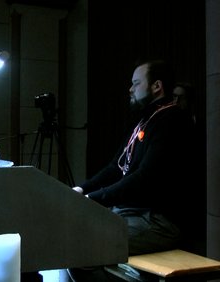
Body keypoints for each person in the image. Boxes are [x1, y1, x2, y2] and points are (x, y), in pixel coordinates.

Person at [68, 59, 196, 281]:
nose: (130, 89)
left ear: (156, 86)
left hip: (159, 221)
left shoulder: (172, 120)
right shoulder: (145, 119)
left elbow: (144, 178)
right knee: (72, 231)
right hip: (133, 213)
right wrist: (81, 189)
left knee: (82, 247)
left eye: (136, 83)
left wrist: (92, 199)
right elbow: (115, 167)